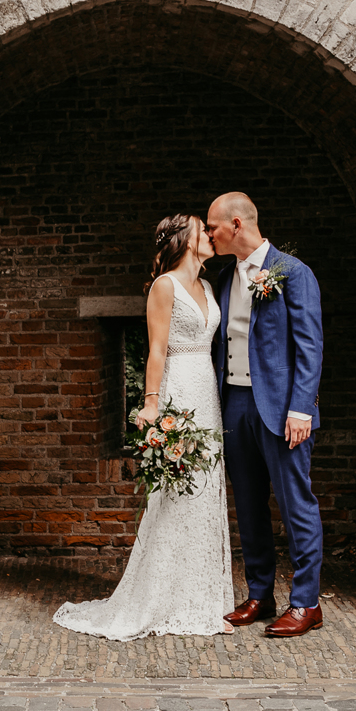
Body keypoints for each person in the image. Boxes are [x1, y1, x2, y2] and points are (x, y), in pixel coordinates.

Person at [54, 214, 234, 640]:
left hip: (206, 392)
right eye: (202, 230)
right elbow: (156, 350)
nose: (210, 235)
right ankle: (162, 598)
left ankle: (202, 599)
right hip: (178, 390)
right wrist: (151, 403)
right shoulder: (164, 286)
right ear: (185, 240)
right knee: (176, 494)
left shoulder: (208, 287)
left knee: (206, 489)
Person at [205, 192, 326, 638]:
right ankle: (260, 594)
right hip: (234, 403)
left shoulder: (292, 273)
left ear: (236, 224)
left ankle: (306, 603)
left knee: (296, 504)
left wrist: (302, 408)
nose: (209, 235)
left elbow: (310, 345)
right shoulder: (224, 277)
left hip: (282, 409)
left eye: (213, 227)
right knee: (249, 504)